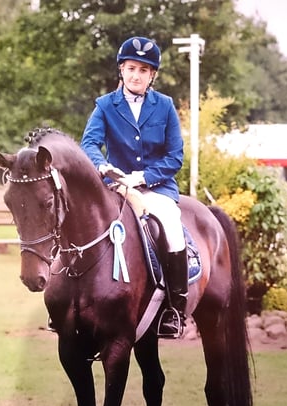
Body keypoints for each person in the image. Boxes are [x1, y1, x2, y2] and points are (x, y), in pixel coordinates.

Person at [80, 36, 187, 338]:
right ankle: (73, 298)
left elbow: (175, 156)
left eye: (143, 70)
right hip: (115, 187)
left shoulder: (165, 106)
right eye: (130, 68)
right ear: (121, 71)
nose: (136, 75)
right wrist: (102, 166)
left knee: (170, 225)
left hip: (156, 187)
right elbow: (89, 143)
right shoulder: (105, 105)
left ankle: (174, 308)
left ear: (152, 75)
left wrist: (141, 177)